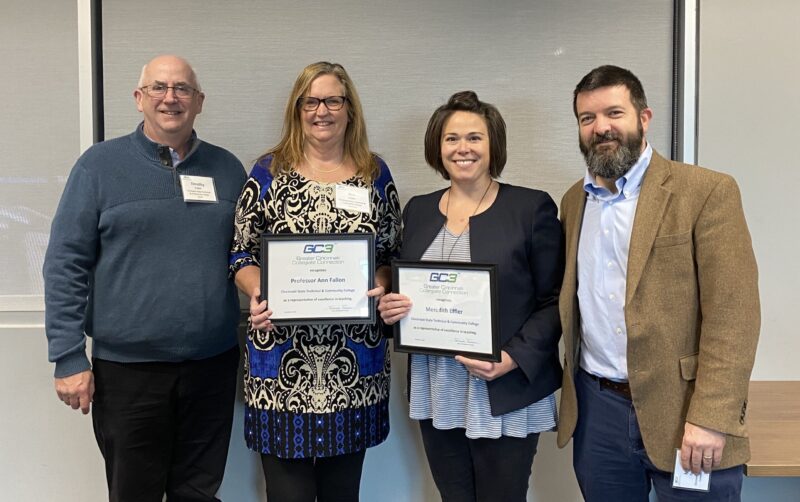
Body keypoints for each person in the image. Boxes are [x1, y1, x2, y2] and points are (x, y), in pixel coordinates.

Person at [43, 55, 246, 501]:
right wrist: (68, 356)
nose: (170, 98)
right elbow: (65, 262)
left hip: (212, 366)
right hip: (128, 373)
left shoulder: (228, 170)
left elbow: (246, 257)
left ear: (199, 102)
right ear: (139, 98)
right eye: (158, 87)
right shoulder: (98, 167)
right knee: (133, 491)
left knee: (198, 491)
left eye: (182, 89)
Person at [556, 65, 760, 501]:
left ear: (643, 118)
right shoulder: (574, 201)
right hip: (598, 414)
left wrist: (712, 416)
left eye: (614, 113)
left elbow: (735, 314)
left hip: (686, 412)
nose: (601, 128)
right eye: (587, 118)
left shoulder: (705, 191)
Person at [378, 91, 563, 502]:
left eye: (474, 138)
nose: (463, 148)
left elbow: (555, 302)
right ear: (437, 147)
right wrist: (392, 304)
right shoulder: (419, 209)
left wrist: (512, 358)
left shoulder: (530, 208)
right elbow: (405, 283)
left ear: (493, 144)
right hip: (438, 386)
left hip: (503, 386)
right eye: (451, 138)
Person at [229, 61, 401, 502]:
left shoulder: (373, 174)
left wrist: (381, 283)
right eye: (311, 101)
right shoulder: (267, 173)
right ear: (297, 109)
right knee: (287, 494)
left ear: (350, 110)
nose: (321, 111)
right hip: (280, 368)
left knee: (343, 493)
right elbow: (241, 253)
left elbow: (390, 255)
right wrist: (258, 290)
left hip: (353, 368)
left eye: (332, 100)